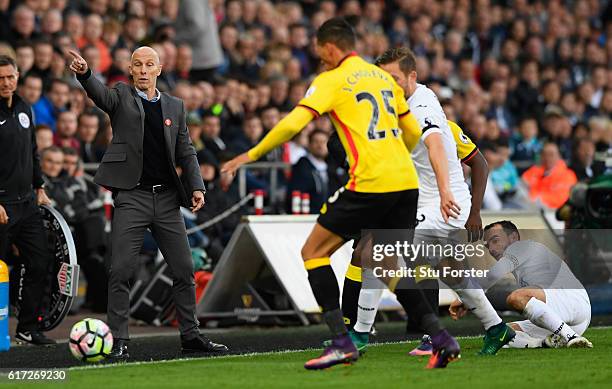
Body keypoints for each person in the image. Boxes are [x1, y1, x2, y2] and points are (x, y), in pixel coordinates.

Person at [222, 18, 460, 370]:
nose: (319, 59)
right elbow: (410, 131)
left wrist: (250, 154)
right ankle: (440, 338)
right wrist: (393, 156)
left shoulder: (332, 80)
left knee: (313, 251)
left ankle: (341, 342)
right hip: (405, 183)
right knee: (385, 262)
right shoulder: (382, 77)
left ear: (330, 48)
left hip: (371, 182)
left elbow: (292, 124)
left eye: (320, 53)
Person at [339, 47, 513, 357]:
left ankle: (359, 335)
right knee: (451, 270)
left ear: (411, 77)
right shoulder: (416, 94)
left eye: (393, 78)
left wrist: (445, 192)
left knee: (375, 250)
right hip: (430, 201)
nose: (388, 84)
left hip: (445, 203)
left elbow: (434, 144)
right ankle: (497, 328)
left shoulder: (421, 110)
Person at [68, 46, 227, 359]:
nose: (142, 70)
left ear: (159, 68)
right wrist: (85, 73)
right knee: (121, 270)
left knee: (184, 269)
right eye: (137, 65)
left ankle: (190, 336)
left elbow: (186, 150)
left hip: (168, 200)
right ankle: (119, 339)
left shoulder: (175, 106)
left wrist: (197, 186)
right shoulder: (120, 97)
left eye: (148, 65)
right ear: (130, 70)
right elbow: (99, 94)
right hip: (132, 198)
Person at [450, 221, 592, 349]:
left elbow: (490, 277)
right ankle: (543, 343)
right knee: (501, 333)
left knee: (517, 297)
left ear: (513, 237)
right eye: (488, 246)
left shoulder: (521, 247)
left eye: (495, 241)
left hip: (573, 302)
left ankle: (572, 338)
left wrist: (465, 298)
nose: (491, 249)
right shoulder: (522, 260)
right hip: (569, 319)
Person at [0, 55, 55, 345]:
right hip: (1, 204)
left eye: (11, 77)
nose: (7, 83)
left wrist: (40, 186)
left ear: (18, 76)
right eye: (1, 78)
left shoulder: (24, 108)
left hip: (26, 203)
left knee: (39, 261)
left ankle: (27, 326)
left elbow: (32, 150)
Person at [522, 142, 578, 209]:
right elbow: (521, 187)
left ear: (559, 156)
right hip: (530, 210)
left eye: (551, 154)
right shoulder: (534, 171)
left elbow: (562, 198)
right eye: (544, 154)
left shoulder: (568, 175)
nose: (547, 158)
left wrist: (537, 199)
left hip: (554, 214)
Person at [288, 129, 329, 213]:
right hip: (308, 215)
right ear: (309, 144)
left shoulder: (333, 166)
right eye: (316, 142)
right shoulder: (302, 167)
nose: (320, 145)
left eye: (323, 142)